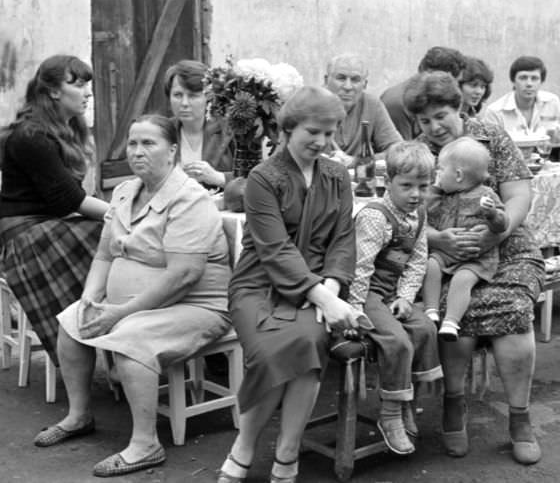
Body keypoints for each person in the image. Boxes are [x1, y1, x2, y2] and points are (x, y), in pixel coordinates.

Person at [32, 114, 231, 477]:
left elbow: (183, 276)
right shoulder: (125, 191)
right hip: (135, 306)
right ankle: (79, 416)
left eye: (148, 143)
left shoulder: (190, 199)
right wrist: (93, 299)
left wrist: (121, 312)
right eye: (133, 143)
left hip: (195, 306)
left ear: (172, 151)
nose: (137, 152)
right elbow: (105, 254)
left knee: (132, 338)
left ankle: (146, 444)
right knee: (73, 318)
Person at [216, 86, 367, 483]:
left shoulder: (337, 176)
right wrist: (320, 295)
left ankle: (286, 451)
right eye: (312, 132)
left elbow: (342, 241)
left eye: (330, 133)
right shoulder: (263, 179)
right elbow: (274, 248)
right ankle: (246, 446)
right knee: (272, 353)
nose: (322, 142)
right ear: (287, 129)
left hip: (320, 288)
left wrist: (331, 291)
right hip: (259, 287)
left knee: (306, 342)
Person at [403, 71, 545, 465]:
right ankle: (454, 404)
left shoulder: (490, 135)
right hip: (444, 257)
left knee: (513, 309)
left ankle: (520, 418)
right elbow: (402, 214)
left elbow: (518, 194)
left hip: (507, 249)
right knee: (450, 311)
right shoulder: (416, 153)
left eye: (442, 115)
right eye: (425, 120)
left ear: (459, 107)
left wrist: (495, 233)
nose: (434, 127)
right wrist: (437, 239)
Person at [0, 55, 108, 363]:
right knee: (108, 237)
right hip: (23, 232)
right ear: (54, 92)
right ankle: (94, 334)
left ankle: (112, 336)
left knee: (112, 238)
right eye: (78, 85)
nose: (88, 92)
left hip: (49, 221)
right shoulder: (32, 135)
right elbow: (69, 200)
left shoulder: (66, 127)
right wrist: (120, 214)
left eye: (88, 84)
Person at [348, 140, 442, 455]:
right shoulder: (375, 216)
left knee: (425, 328)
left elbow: (418, 260)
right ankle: (389, 414)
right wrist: (355, 311)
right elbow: (360, 268)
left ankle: (406, 402)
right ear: (387, 183)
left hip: (390, 291)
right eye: (406, 186)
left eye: (423, 186)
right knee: (397, 341)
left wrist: (405, 296)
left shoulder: (419, 213)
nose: (415, 194)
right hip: (365, 292)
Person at [421, 137, 508, 341]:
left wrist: (493, 215)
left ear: (458, 175)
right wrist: (434, 188)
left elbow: (502, 224)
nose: (438, 175)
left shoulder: (486, 195)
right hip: (446, 253)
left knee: (462, 279)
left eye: (441, 170)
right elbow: (425, 209)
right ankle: (431, 311)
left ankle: (451, 322)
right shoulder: (443, 195)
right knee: (431, 264)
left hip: (476, 258)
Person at [164, 59, 234, 189]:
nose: (184, 103)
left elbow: (254, 181)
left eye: (193, 96)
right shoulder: (163, 132)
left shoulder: (230, 130)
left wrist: (219, 178)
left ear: (208, 97)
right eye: (178, 95)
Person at [323, 53, 402, 164]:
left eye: (355, 80)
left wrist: (357, 161)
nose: (348, 87)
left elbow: (398, 150)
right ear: (326, 80)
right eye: (341, 78)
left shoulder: (372, 105)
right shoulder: (312, 104)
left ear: (365, 85)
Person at [381, 46, 466, 140]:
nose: (435, 128)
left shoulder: (481, 136)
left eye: (440, 117)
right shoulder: (398, 102)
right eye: (425, 121)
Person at [484, 56, 560, 143]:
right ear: (513, 81)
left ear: (541, 81)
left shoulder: (551, 102)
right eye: (523, 78)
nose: (529, 84)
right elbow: (493, 148)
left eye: (534, 78)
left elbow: (555, 138)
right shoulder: (495, 111)